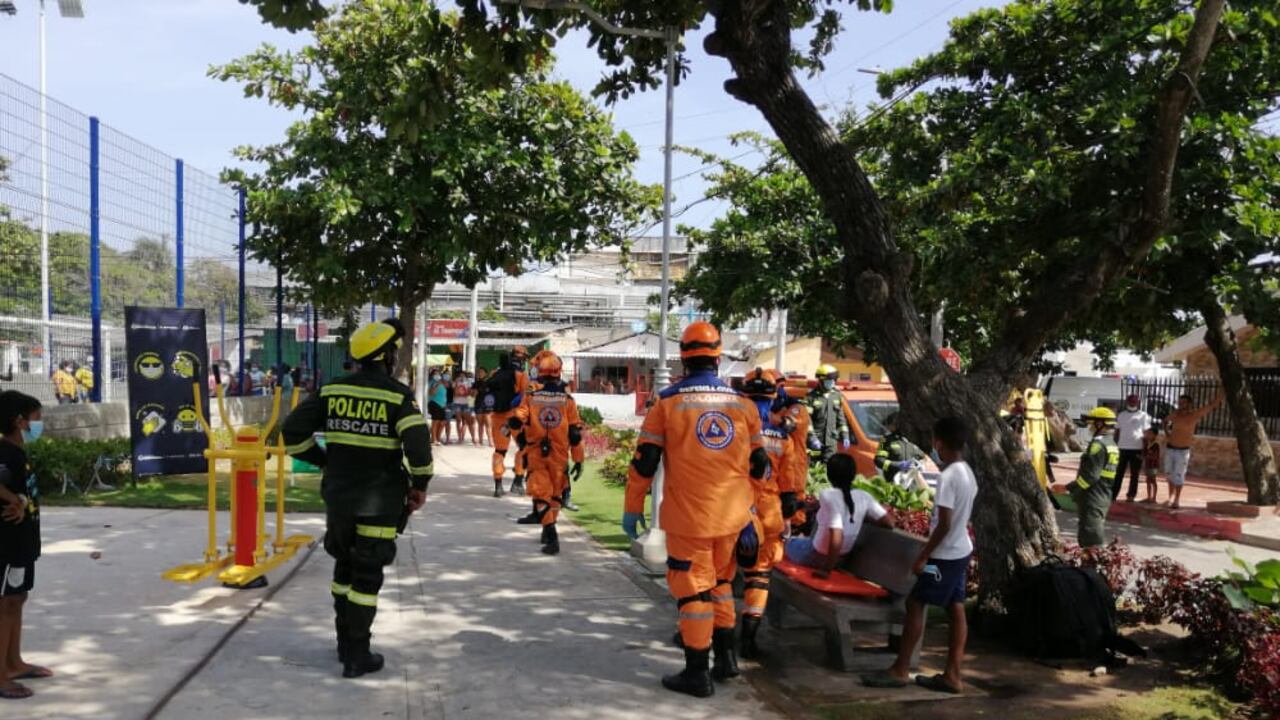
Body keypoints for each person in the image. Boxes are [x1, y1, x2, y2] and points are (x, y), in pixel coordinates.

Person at [622, 321, 767, 698]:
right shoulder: (744, 405)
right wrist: (756, 516)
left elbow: (645, 462)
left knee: (692, 594)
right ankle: (727, 660)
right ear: (718, 357)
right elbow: (760, 466)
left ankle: (697, 673)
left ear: (683, 358)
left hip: (690, 520)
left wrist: (632, 506)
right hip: (734, 519)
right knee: (720, 585)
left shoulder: (668, 404)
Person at [281, 318, 433, 679]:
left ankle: (343, 644)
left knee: (344, 568)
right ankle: (358, 654)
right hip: (380, 503)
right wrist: (420, 484)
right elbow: (418, 447)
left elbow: (292, 431)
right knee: (367, 577)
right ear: (386, 357)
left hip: (340, 500)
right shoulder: (397, 396)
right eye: (393, 352)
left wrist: (324, 460)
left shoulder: (333, 391)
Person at [864, 416, 976, 696]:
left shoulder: (949, 475)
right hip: (961, 550)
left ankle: (901, 669)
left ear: (938, 442)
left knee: (915, 603)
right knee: (955, 606)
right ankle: (952, 675)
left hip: (945, 555)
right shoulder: (967, 471)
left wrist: (923, 556)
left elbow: (945, 523)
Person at [736, 368, 795, 659]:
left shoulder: (733, 430)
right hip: (769, 514)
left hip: (733, 510)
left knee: (717, 574)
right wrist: (789, 518)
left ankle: (702, 634)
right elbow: (791, 486)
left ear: (743, 394)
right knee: (759, 578)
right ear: (773, 397)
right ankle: (748, 639)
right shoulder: (783, 437)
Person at [0, 390, 52, 700]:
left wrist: (20, 499)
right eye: (36, 419)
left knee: (17, 599)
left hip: (22, 544)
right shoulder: (5, 452)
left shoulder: (16, 451)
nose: (39, 424)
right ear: (19, 421)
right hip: (6, 545)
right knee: (5, 604)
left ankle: (14, 663)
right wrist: (13, 500)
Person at [509, 352, 584, 555]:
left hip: (537, 453)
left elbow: (518, 418)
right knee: (555, 495)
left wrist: (517, 428)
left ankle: (551, 534)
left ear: (540, 372)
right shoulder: (567, 400)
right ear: (559, 373)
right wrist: (579, 459)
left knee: (540, 494)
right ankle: (548, 526)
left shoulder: (532, 397)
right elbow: (575, 433)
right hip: (559, 455)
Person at [784, 453, 892, 573]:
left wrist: (826, 570)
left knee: (784, 543)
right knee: (801, 540)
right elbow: (889, 523)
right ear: (853, 475)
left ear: (829, 475)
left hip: (816, 556)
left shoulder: (828, 495)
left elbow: (837, 535)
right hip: (842, 559)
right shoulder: (864, 496)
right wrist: (860, 516)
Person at [1052, 407, 1120, 548]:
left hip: (1093, 496)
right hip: (1103, 494)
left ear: (1100, 424)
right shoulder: (1111, 443)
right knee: (1092, 532)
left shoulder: (1098, 445)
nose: (1089, 427)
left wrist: (1067, 488)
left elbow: (1089, 477)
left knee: (1091, 537)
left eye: (1091, 424)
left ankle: (1092, 566)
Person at [1162, 392, 1224, 510]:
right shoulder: (1175, 415)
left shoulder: (1194, 415)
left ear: (1189, 404)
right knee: (1169, 474)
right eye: (1179, 402)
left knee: (1179, 475)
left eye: (1183, 403)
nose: (1181, 405)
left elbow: (1211, 406)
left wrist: (1221, 394)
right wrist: (1167, 433)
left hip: (1182, 450)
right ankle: (1170, 497)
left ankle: (1177, 500)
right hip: (1171, 448)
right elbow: (1165, 421)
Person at [488, 347, 530, 497]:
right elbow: (527, 398)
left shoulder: (494, 374)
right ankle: (518, 481)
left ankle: (498, 485)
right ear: (523, 359)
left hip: (498, 418)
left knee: (500, 451)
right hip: (515, 419)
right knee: (525, 448)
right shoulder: (522, 376)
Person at [805, 364, 852, 462]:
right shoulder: (811, 397)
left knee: (829, 467)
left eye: (833, 381)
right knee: (814, 467)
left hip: (831, 441)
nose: (832, 383)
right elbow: (806, 420)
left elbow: (841, 418)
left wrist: (845, 436)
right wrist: (812, 438)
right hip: (815, 442)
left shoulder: (836, 396)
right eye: (829, 381)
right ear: (821, 381)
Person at [1114, 394, 1151, 502]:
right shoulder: (1121, 415)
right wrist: (1114, 445)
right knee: (1119, 473)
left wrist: (1145, 448)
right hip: (1122, 448)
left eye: (1134, 401)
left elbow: (1146, 433)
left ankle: (1131, 495)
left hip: (1137, 448)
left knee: (1135, 474)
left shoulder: (1143, 415)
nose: (1132, 403)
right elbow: (1117, 431)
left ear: (1138, 402)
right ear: (1127, 402)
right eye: (1130, 401)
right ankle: (1113, 494)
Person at [874, 412, 926, 486]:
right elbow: (879, 461)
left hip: (913, 486)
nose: (889, 428)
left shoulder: (914, 440)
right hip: (894, 484)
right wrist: (898, 465)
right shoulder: (885, 440)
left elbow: (923, 457)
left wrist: (921, 464)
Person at [428, 369, 450, 444]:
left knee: (442, 422)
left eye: (438, 374)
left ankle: (437, 437)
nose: (437, 376)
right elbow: (431, 393)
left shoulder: (442, 383)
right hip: (434, 403)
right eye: (435, 374)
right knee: (436, 421)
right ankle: (434, 439)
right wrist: (437, 384)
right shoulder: (432, 382)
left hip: (442, 405)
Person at [1141, 427, 1162, 504]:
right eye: (1148, 433)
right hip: (1148, 464)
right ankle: (1149, 497)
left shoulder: (1155, 444)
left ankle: (1154, 498)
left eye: (1150, 434)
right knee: (1148, 481)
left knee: (1153, 480)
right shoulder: (1147, 443)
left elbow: (1155, 456)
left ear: (1155, 435)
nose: (1148, 435)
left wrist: (1146, 456)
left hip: (1153, 465)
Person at [473, 367, 492, 448]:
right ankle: (480, 440)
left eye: (482, 372)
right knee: (480, 424)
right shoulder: (476, 383)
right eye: (479, 372)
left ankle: (490, 441)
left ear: (485, 373)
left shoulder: (489, 382)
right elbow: (472, 395)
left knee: (488, 424)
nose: (480, 373)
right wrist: (474, 393)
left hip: (488, 405)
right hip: (478, 404)